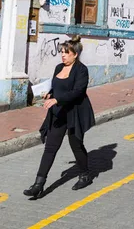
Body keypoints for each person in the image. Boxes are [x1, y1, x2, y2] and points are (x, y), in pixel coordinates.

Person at [23, 35, 95, 199]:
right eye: (61, 52)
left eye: (66, 52)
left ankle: (85, 174)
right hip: (59, 113)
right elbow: (56, 87)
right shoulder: (58, 68)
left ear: (75, 54)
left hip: (74, 112)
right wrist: (49, 94)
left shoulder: (81, 70)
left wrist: (57, 99)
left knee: (76, 145)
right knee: (50, 147)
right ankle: (38, 185)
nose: (62, 55)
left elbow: (78, 92)